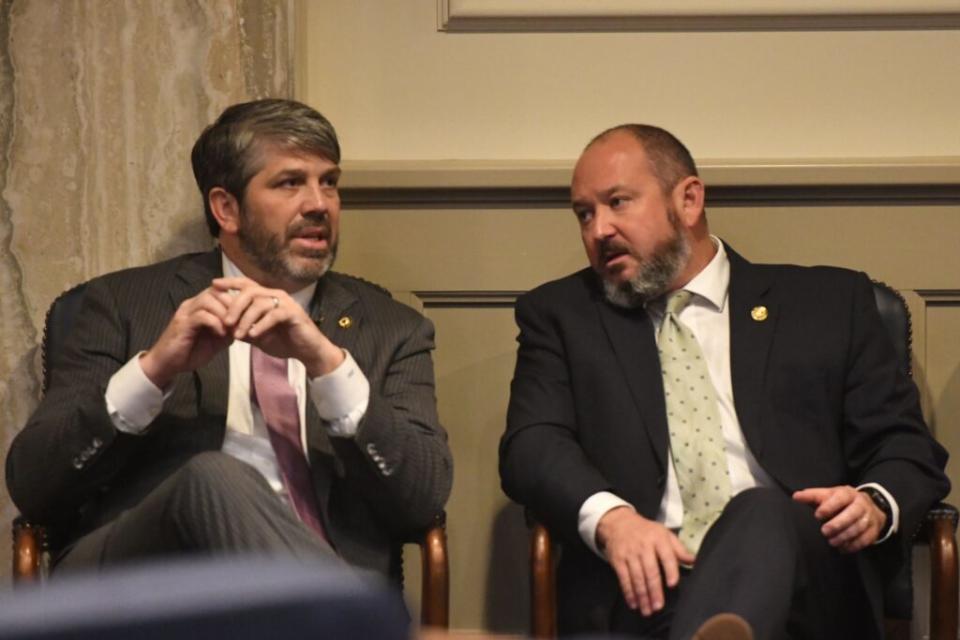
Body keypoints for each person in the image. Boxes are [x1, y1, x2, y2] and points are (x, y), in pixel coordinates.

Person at [499, 124, 949, 639]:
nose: (598, 229)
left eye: (617, 202)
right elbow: (531, 446)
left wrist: (873, 503)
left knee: (759, 511)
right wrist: (613, 520)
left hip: (808, 589)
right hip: (646, 587)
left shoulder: (827, 304)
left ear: (688, 200)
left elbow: (905, 445)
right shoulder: (562, 316)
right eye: (584, 214)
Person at [6, 98, 453, 583]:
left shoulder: (390, 327)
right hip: (146, 582)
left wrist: (328, 365)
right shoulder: (122, 304)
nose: (319, 204)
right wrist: (152, 372)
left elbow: (422, 498)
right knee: (214, 476)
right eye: (290, 183)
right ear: (226, 208)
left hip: (320, 574)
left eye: (329, 182)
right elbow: (35, 485)